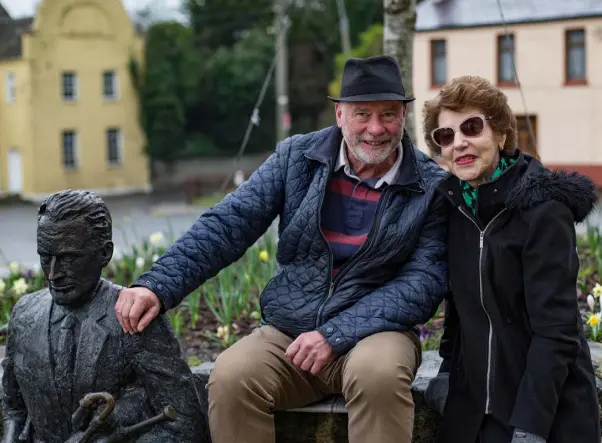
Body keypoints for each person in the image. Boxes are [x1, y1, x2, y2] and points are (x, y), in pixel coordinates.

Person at [114, 55, 450, 443]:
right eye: (362, 114)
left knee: (377, 377)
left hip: (377, 334)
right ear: (339, 114)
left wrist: (334, 334)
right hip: (290, 333)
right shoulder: (297, 158)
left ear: (404, 115)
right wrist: (156, 285)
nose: (376, 129)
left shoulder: (431, 187)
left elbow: (422, 283)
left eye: (388, 114)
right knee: (230, 378)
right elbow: (229, 223)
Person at [422, 76, 600, 443]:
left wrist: (530, 427)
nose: (460, 143)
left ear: (502, 134)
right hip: (473, 415)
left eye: (472, 127)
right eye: (446, 136)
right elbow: (459, 306)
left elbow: (557, 332)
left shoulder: (544, 211)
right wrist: (445, 372)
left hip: (545, 414)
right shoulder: (455, 208)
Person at [1, 190, 208, 443]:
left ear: (105, 254)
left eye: (69, 259)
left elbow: (186, 423)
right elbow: (13, 408)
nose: (53, 274)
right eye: (45, 257)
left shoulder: (132, 318)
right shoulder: (25, 314)